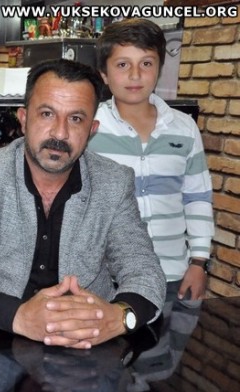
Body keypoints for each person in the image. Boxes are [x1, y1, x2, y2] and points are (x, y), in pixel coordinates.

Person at [0, 58, 166, 350]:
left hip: (84, 346)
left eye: (76, 119)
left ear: (92, 128)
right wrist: (19, 317)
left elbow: (144, 270)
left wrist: (120, 318)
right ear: (23, 119)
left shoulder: (113, 181)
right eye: (47, 114)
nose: (60, 133)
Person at [88, 18, 214, 302]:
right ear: (104, 74)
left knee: (176, 333)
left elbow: (197, 197)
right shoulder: (90, 128)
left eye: (146, 63)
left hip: (173, 275)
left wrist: (198, 262)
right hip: (106, 278)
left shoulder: (184, 128)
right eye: (123, 64)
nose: (135, 75)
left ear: (159, 69)